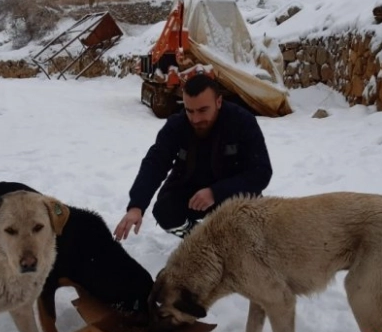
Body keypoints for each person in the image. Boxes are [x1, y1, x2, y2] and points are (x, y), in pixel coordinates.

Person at [113, 73, 273, 241]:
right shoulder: (177, 125)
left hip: (232, 193)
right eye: (190, 111)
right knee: (164, 210)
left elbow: (261, 172)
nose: (196, 119)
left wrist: (215, 192)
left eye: (203, 110)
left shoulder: (242, 122)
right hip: (191, 190)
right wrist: (136, 206)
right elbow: (155, 163)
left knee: (252, 222)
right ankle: (201, 239)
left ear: (218, 102)